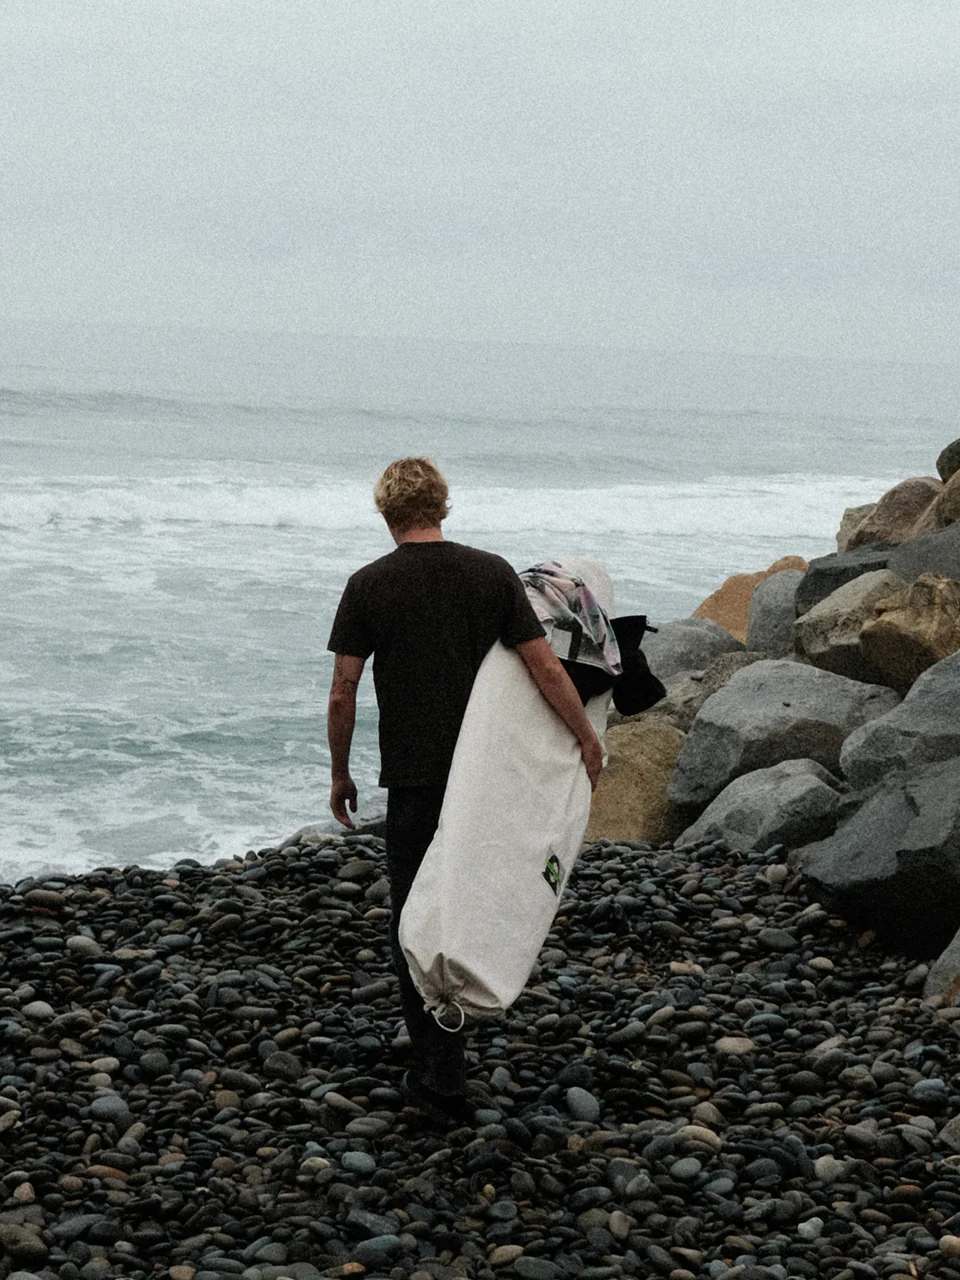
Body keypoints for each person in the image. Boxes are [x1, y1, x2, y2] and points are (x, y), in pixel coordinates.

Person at [326, 457, 602, 1124]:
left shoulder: (369, 585)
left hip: (414, 779)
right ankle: (455, 1039)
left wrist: (339, 772)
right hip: (488, 776)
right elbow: (543, 668)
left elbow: (343, 692)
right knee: (473, 903)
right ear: (442, 506)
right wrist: (586, 740)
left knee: (417, 919)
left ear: (387, 513)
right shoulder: (490, 574)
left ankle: (440, 1077)